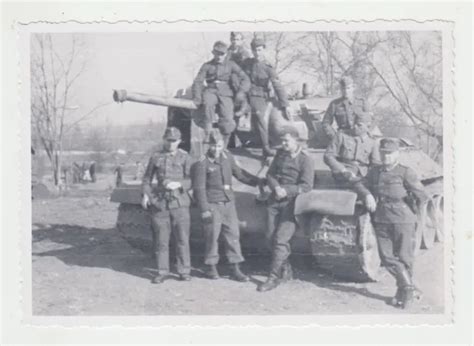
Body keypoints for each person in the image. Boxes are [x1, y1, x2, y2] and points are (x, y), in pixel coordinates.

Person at [353, 138, 429, 309]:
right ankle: (409, 288)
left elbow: (422, 196)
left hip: (403, 219)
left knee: (404, 257)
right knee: (387, 258)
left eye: (389, 153)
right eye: (383, 153)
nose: (385, 156)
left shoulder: (405, 172)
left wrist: (411, 213)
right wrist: (367, 195)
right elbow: (359, 183)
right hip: (381, 218)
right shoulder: (374, 172)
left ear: (397, 154)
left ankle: (404, 293)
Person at [191, 130, 262, 281]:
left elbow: (239, 174)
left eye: (219, 146)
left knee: (233, 236)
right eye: (213, 146)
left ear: (223, 145)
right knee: (212, 237)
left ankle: (235, 268)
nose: (216, 149)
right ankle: (211, 267)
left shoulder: (227, 157)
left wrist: (259, 181)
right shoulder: (202, 163)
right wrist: (204, 209)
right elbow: (199, 188)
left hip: (228, 204)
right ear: (207, 146)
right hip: (212, 204)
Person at [258, 126, 315, 292]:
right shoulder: (280, 154)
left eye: (286, 141)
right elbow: (270, 175)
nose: (283, 144)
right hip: (275, 199)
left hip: (292, 204)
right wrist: (276, 187)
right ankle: (286, 268)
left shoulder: (305, 159)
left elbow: (307, 185)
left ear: (296, 140)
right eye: (282, 141)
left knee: (281, 239)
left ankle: (273, 277)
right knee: (269, 237)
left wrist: (288, 190)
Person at [141, 127, 193, 284]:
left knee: (182, 239)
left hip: (180, 203)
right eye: (168, 140)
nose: (171, 144)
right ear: (164, 139)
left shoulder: (185, 157)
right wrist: (146, 194)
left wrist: (180, 184)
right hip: (161, 203)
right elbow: (147, 179)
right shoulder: (156, 157)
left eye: (174, 141)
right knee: (162, 240)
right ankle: (162, 271)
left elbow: (192, 180)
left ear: (179, 141)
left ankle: (184, 271)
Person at [192, 41, 250, 146]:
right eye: (217, 53)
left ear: (226, 54)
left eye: (222, 54)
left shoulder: (231, 65)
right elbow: (198, 81)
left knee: (227, 115)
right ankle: (208, 133)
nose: (219, 57)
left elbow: (245, 78)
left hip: (226, 92)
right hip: (211, 90)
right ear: (213, 52)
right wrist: (197, 97)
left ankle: (225, 143)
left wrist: (241, 92)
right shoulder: (207, 66)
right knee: (207, 104)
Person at [242, 37, 290, 157]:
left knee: (260, 116)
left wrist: (285, 104)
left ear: (263, 50)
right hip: (245, 94)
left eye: (259, 50)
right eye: (255, 50)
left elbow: (277, 85)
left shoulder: (268, 67)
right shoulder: (247, 63)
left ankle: (266, 147)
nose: (257, 53)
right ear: (252, 51)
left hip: (259, 96)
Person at [324, 112, 380, 184]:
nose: (355, 126)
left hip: (363, 175)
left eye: (359, 125)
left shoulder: (372, 141)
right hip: (343, 174)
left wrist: (370, 175)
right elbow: (328, 156)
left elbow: (375, 163)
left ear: (368, 126)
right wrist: (343, 170)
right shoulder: (341, 136)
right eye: (354, 123)